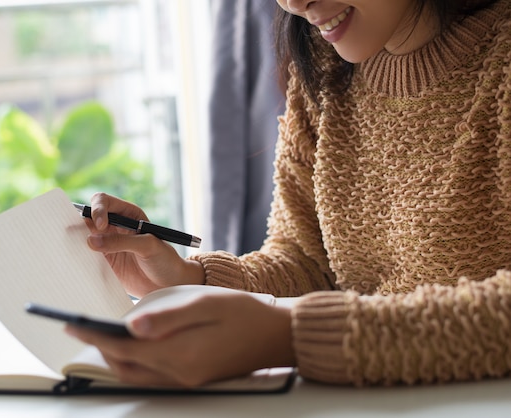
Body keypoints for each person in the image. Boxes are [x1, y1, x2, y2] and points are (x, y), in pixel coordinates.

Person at [66, 0, 511, 388]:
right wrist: (189, 280)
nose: (294, 3)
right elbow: (306, 261)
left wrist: (292, 335)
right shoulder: (326, 65)